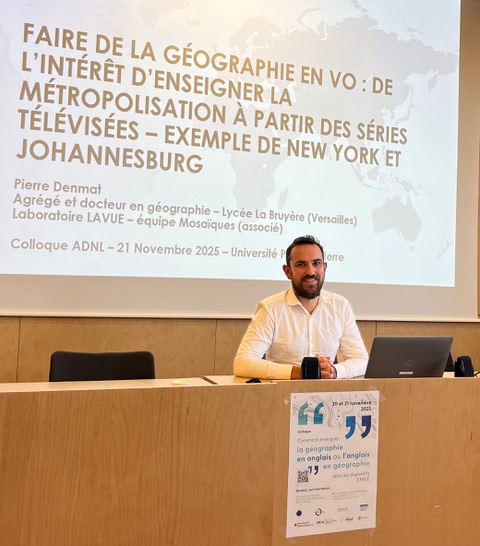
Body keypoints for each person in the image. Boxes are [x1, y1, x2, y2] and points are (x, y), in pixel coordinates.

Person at [233, 235, 368, 380]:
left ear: (324, 267)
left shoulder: (340, 306)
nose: (310, 271)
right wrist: (302, 372)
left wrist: (334, 371)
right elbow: (242, 363)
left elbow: (361, 360)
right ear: (287, 271)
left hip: (328, 392)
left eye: (316, 263)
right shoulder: (270, 308)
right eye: (301, 264)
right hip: (283, 391)